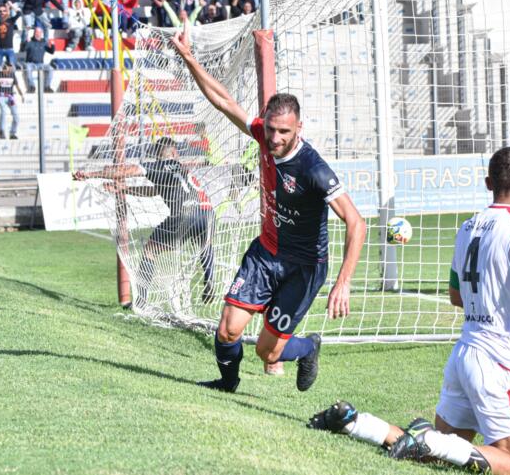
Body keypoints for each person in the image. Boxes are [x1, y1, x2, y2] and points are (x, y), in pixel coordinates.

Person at [308, 147, 510, 475]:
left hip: (464, 356)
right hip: (498, 364)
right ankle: (428, 438)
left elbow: (456, 295)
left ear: (487, 183)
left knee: (444, 455)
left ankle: (356, 423)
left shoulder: (468, 228)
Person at [172, 25, 367, 394]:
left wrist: (343, 283)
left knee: (267, 351)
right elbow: (223, 100)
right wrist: (188, 58)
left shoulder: (313, 169)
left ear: (299, 129)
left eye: (284, 133)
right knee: (228, 328)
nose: (274, 139)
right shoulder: (262, 133)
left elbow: (355, 223)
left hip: (304, 266)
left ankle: (308, 347)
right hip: (266, 253)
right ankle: (226, 386)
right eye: (272, 130)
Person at [72, 136, 217, 308]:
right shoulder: (183, 168)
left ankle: (141, 302)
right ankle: (210, 278)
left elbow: (123, 171)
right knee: (205, 244)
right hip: (207, 212)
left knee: (150, 251)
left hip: (183, 214)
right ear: (175, 152)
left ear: (158, 154)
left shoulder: (157, 165)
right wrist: (125, 189)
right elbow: (153, 191)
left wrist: (91, 174)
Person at [0, 62, 24, 139]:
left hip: (10, 97)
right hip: (1, 96)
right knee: (3, 111)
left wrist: (21, 95)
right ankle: (2, 131)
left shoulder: (12, 75)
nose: (5, 70)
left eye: (7, 68)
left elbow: (17, 86)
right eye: (4, 68)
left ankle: (12, 133)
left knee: (16, 116)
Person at [23, 25, 54, 92]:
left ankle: (47, 87)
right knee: (27, 68)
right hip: (31, 63)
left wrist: (52, 45)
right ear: (34, 33)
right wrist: (26, 42)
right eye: (36, 32)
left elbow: (51, 52)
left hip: (41, 64)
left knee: (50, 68)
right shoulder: (30, 41)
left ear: (41, 33)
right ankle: (32, 87)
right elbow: (23, 49)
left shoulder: (44, 43)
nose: (37, 34)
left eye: (39, 32)